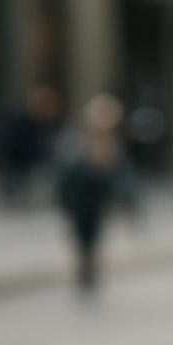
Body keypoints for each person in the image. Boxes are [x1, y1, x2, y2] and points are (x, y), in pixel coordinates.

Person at [58, 93, 124, 291]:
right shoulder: (80, 142)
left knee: (93, 238)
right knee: (82, 238)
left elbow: (117, 176)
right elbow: (69, 173)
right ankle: (84, 270)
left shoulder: (110, 145)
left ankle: (89, 271)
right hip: (80, 199)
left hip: (95, 200)